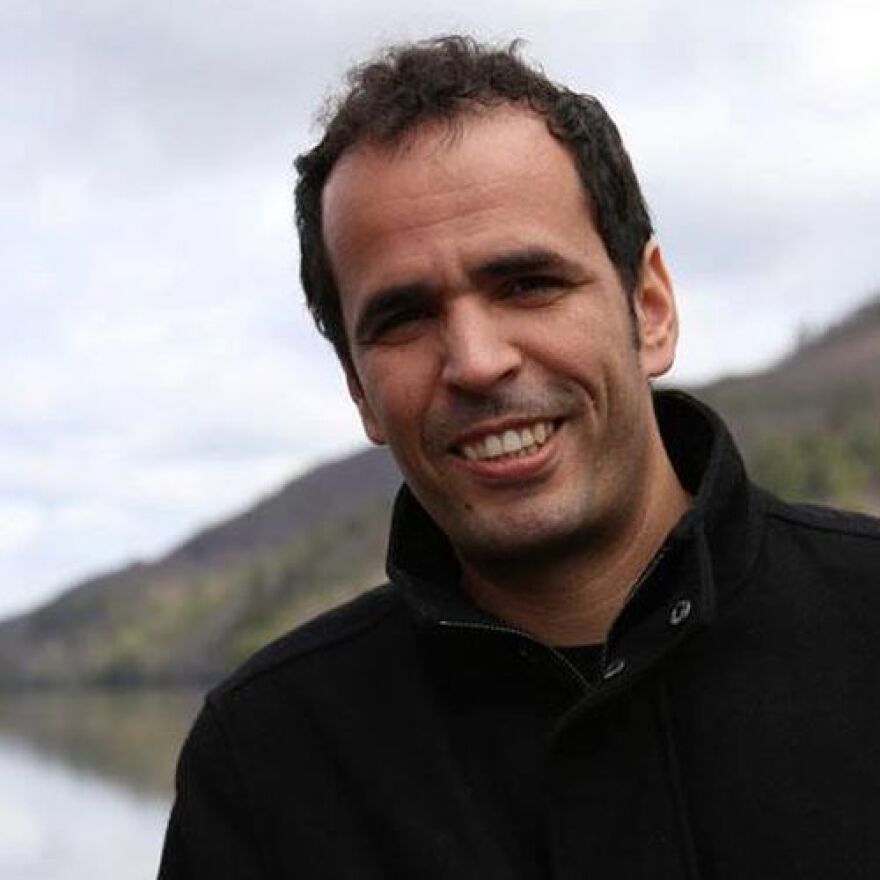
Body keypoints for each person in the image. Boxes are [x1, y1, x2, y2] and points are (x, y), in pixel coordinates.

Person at [158, 36, 880, 879]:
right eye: (403, 318)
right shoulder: (266, 764)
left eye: (528, 285)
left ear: (649, 308)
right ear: (359, 390)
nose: (476, 361)